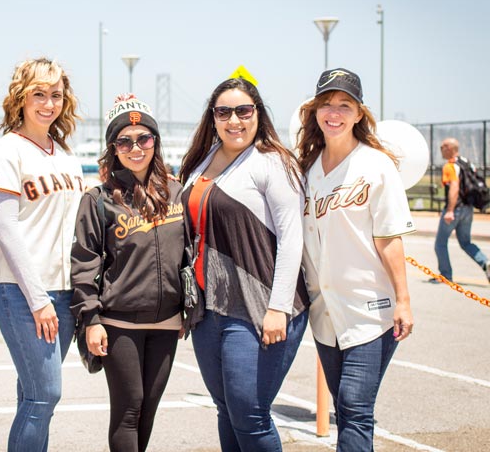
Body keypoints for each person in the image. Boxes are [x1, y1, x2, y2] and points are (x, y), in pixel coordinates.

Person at [178, 78, 309, 451]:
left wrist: (278, 308)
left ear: (257, 113)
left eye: (243, 111)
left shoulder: (273, 163)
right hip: (209, 308)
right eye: (224, 112)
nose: (234, 120)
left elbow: (291, 239)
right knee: (225, 409)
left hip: (258, 309)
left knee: (250, 414)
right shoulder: (202, 160)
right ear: (213, 118)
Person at [297, 68, 415, 450]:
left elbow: (389, 239)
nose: (335, 112)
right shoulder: (306, 169)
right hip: (325, 312)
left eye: (344, 105)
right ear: (314, 111)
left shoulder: (376, 166)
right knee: (344, 407)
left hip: (371, 310)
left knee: (355, 405)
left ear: (359, 113)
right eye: (326, 104)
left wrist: (404, 301)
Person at [71, 94, 185, 452]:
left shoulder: (177, 191)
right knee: (128, 408)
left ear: (155, 142)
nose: (135, 148)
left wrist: (190, 307)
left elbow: (189, 254)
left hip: (167, 321)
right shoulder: (99, 198)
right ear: (113, 148)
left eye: (144, 139)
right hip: (119, 323)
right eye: (125, 140)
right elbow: (84, 260)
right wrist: (91, 319)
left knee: (148, 409)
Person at [0, 57, 84, 452]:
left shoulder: (66, 155)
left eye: (55, 94)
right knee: (45, 395)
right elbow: (5, 227)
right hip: (21, 290)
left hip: (63, 293)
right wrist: (38, 299)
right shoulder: (7, 151)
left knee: (34, 397)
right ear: (21, 99)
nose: (48, 103)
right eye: (38, 94)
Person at [432, 137, 490, 283]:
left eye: (442, 148)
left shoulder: (450, 166)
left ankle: (446, 275)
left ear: (449, 148)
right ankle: (485, 262)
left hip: (455, 209)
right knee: (465, 242)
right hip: (468, 209)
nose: (441, 151)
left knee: (440, 243)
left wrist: (450, 210)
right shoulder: (467, 163)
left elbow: (454, 187)